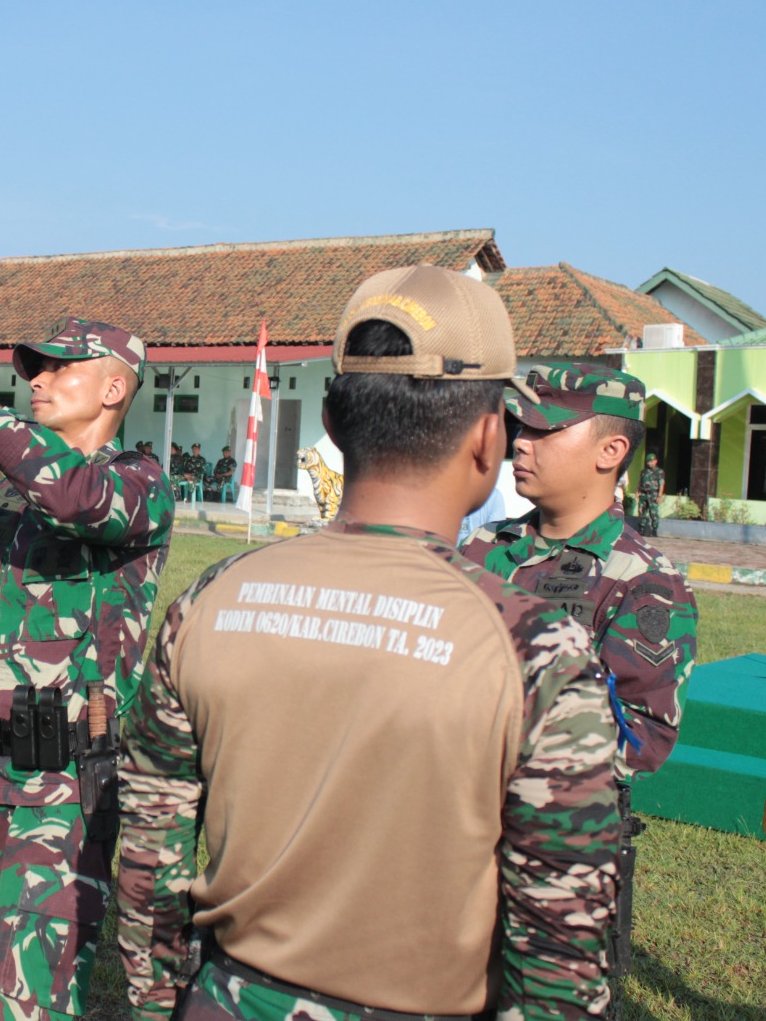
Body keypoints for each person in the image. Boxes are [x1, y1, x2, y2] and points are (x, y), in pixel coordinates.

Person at [118, 265, 620, 1021]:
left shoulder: (210, 603)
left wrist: (161, 1005)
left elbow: (148, 857)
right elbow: (561, 949)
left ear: (330, 419)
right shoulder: (536, 648)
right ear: (490, 436)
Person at [0, 318, 176, 1020]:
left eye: (59, 369)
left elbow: (75, 500)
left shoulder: (137, 484)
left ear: (115, 386)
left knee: (32, 998)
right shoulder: (12, 491)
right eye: (33, 372)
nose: (38, 382)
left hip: (68, 779)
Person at [459, 363, 699, 1018]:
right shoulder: (482, 550)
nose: (520, 444)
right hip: (448, 840)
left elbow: (639, 737)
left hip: (554, 859)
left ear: (611, 451)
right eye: (516, 428)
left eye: (542, 429)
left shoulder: (643, 584)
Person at [638, 453, 665, 537]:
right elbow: (640, 482)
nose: (649, 463)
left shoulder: (659, 472)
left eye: (651, 461)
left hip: (653, 494)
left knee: (653, 512)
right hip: (643, 494)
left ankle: (654, 530)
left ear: (656, 461)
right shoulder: (644, 471)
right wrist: (637, 492)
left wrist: (659, 495)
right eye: (648, 461)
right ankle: (641, 529)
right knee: (642, 511)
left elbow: (661, 484)